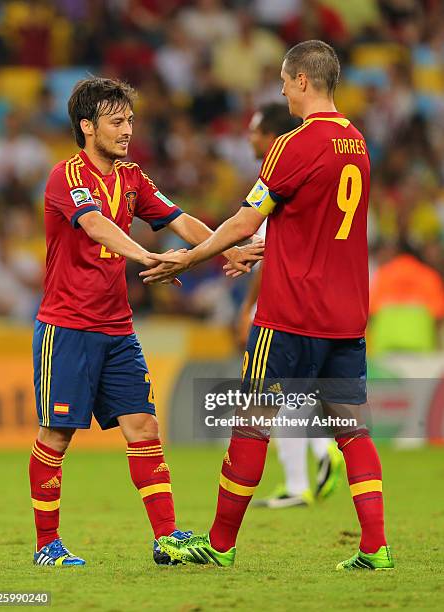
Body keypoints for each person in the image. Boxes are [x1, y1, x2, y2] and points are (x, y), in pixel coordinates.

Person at [143, 40, 394, 571]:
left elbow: (242, 220)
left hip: (290, 315)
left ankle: (220, 544)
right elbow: (323, 227)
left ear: (303, 79)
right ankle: (376, 548)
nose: (281, 89)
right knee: (352, 430)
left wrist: (189, 259)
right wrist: (268, 250)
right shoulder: (358, 143)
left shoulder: (292, 143)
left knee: (252, 422)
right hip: (345, 315)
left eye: (284, 80)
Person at [29, 77, 262, 567]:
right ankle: (46, 545)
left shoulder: (132, 176)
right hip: (67, 328)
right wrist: (148, 257)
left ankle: (166, 537)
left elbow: (180, 220)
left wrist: (225, 247)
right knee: (57, 434)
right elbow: (95, 224)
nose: (127, 129)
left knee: (144, 426)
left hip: (117, 328)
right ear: (87, 127)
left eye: (130, 120)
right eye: (117, 121)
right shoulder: (65, 176)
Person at [239, 103, 342, 509]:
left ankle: (317, 453)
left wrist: (247, 306)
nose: (250, 137)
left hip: (283, 303)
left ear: (271, 136)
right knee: (291, 393)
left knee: (266, 397)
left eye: (254, 130)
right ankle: (301, 477)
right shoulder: (309, 172)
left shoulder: (283, 174)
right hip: (317, 301)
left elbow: (270, 251)